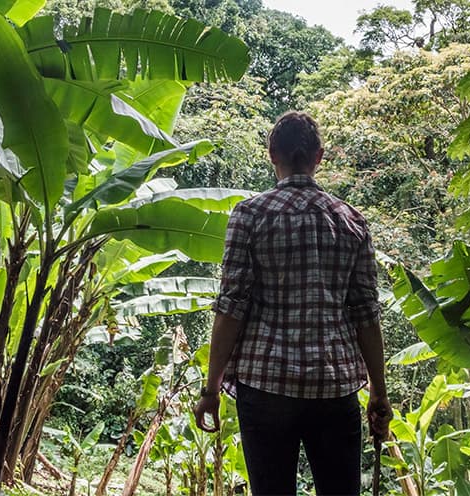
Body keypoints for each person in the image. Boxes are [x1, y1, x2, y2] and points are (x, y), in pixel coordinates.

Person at [193, 111, 393, 495]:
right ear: (319, 157)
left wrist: (211, 389)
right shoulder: (351, 221)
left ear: (272, 156)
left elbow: (231, 307)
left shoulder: (249, 215)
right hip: (335, 389)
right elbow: (367, 313)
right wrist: (379, 392)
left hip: (265, 388)